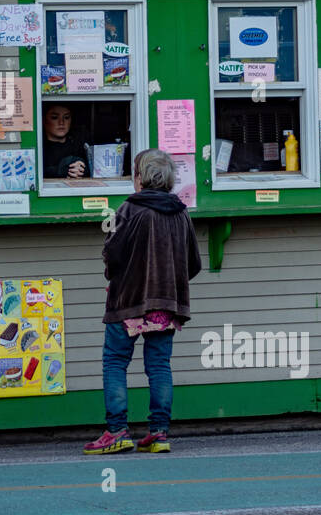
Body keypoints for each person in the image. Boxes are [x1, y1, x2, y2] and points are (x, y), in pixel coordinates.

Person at [84, 149, 202, 456]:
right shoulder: (180, 212)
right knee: (159, 365)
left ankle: (117, 431)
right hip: (166, 304)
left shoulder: (129, 209)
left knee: (115, 362)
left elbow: (112, 254)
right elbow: (194, 262)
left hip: (129, 302)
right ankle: (159, 432)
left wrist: (114, 275)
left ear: (140, 178)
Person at [43, 103, 91, 178]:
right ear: (43, 120)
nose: (61, 122)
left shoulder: (80, 143)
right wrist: (61, 170)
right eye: (55, 117)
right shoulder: (39, 147)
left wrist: (82, 169)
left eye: (66, 117)